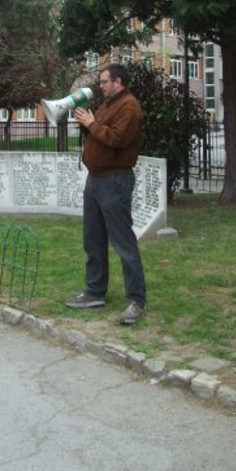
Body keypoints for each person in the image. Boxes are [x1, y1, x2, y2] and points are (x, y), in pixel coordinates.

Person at [66, 64, 147, 325]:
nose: (100, 86)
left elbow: (117, 139)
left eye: (104, 82)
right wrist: (85, 123)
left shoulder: (129, 107)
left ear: (118, 82)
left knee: (123, 243)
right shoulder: (108, 105)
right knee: (93, 239)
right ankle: (94, 292)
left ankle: (136, 300)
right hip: (96, 180)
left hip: (115, 180)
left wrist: (92, 123)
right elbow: (97, 133)